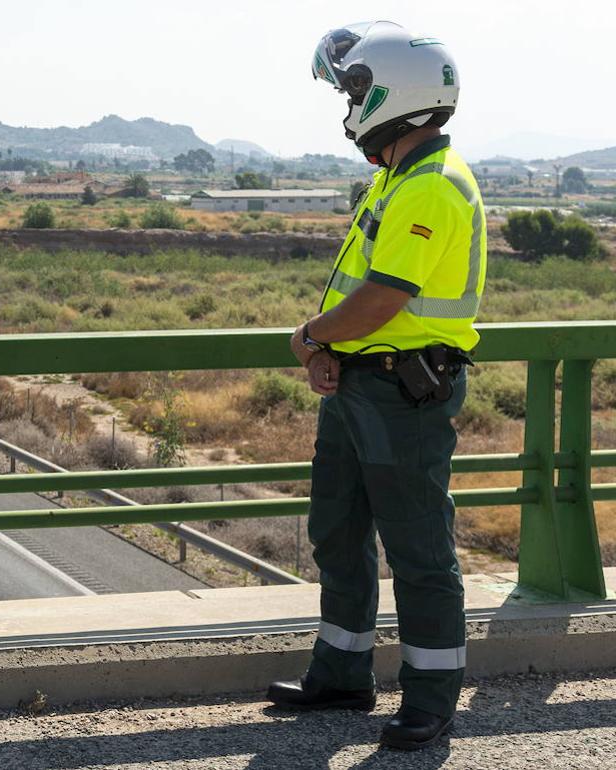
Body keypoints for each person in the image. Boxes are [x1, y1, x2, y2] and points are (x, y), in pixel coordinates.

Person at [265, 21, 486, 751]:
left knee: (419, 550)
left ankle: (430, 699)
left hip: (404, 394)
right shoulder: (396, 178)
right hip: (363, 383)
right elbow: (363, 294)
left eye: (356, 87)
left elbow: (381, 298)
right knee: (338, 529)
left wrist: (312, 338)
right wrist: (332, 352)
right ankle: (342, 673)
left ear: (396, 94)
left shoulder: (429, 186)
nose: (349, 102)